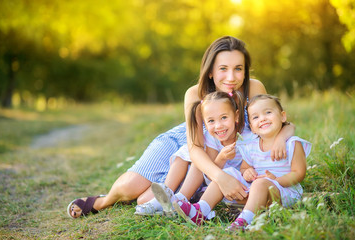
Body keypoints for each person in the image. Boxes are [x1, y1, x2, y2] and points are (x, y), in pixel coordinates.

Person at [67, 36, 295, 219]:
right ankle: (103, 201)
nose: (231, 77)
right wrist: (221, 178)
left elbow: (280, 122)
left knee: (143, 200)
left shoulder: (254, 87)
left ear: (246, 70)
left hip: (217, 147)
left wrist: (280, 137)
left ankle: (168, 194)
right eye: (223, 68)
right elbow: (194, 146)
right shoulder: (194, 94)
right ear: (211, 71)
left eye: (238, 69)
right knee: (130, 186)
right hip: (185, 141)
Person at [172, 94, 311, 231]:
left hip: (283, 192)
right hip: (255, 193)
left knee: (260, 183)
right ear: (252, 126)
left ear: (283, 116)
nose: (262, 119)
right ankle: (200, 210)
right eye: (256, 117)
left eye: (268, 113)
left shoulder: (292, 143)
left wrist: (277, 180)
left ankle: (245, 220)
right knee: (227, 173)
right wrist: (247, 173)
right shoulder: (251, 144)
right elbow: (245, 168)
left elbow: (299, 173)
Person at [134, 90, 247, 216]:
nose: (218, 126)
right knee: (196, 156)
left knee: (199, 159)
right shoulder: (211, 138)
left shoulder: (247, 137)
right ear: (204, 122)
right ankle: (176, 197)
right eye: (211, 121)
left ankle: (178, 200)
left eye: (224, 118)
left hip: (230, 183)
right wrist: (221, 158)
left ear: (236, 116)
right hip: (214, 177)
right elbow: (210, 174)